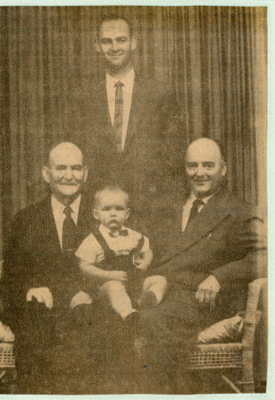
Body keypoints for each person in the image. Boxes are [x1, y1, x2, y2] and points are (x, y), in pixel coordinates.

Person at [139, 137, 267, 394]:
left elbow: (266, 255)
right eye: (192, 166)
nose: (199, 173)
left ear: (223, 169)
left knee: (152, 320)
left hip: (201, 301)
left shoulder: (239, 212)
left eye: (208, 165)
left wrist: (219, 277)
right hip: (159, 291)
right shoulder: (167, 208)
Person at [0, 142, 95, 394]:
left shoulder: (102, 216)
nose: (69, 175)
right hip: (43, 313)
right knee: (35, 329)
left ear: (85, 173)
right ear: (46, 174)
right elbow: (8, 284)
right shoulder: (24, 221)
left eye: (76, 168)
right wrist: (29, 290)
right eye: (60, 168)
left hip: (89, 308)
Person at [68, 14, 186, 212]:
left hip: (150, 207)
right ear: (97, 45)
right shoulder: (82, 95)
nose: (114, 48)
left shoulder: (160, 93)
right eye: (107, 41)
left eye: (121, 40)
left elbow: (174, 156)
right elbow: (74, 153)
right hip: (98, 208)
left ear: (133, 42)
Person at [75, 184, 167, 322]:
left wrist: (145, 264)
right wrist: (108, 275)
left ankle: (145, 301)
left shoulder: (133, 236)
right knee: (114, 287)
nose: (113, 213)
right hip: (105, 286)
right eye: (106, 209)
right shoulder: (92, 240)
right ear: (96, 214)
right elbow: (84, 266)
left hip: (133, 282)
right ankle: (128, 313)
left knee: (160, 280)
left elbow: (148, 251)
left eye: (119, 209)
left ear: (127, 214)